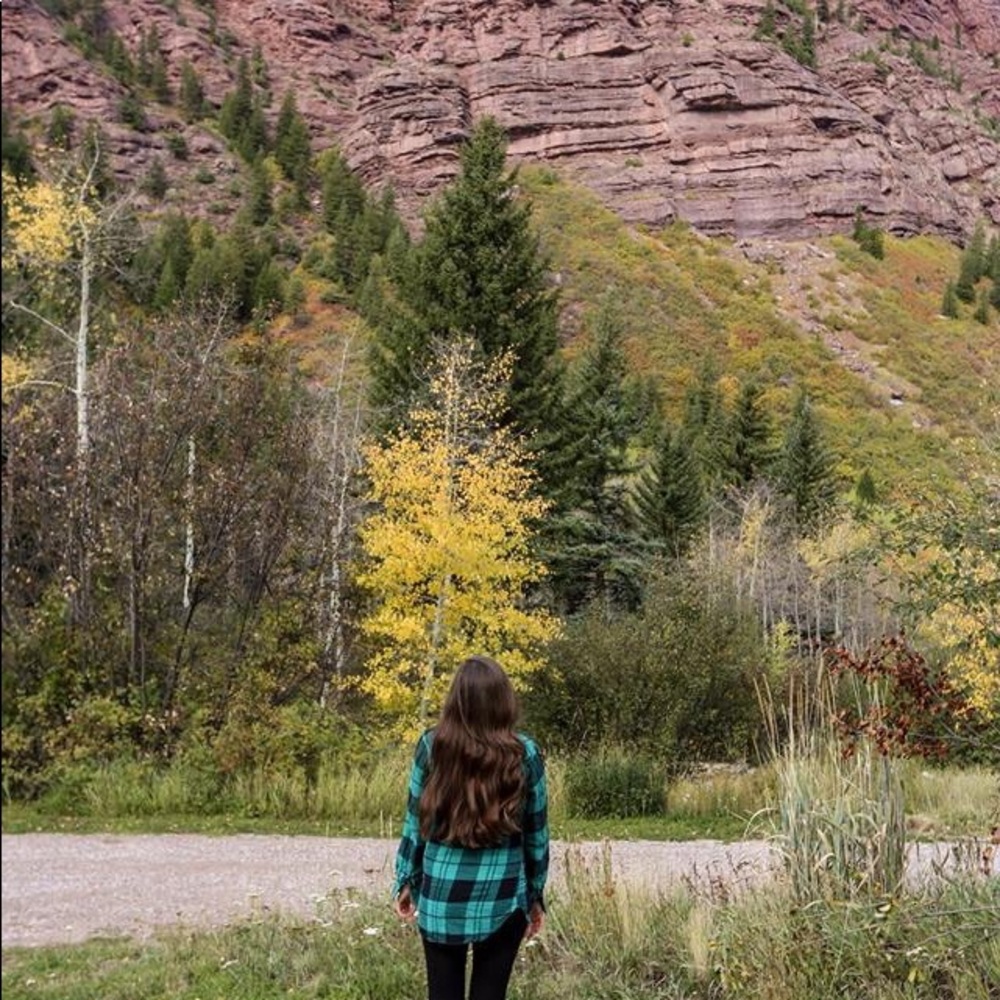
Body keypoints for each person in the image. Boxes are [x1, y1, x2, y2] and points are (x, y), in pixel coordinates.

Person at [392, 654, 549, 1000]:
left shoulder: (432, 747)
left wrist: (407, 880)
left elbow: (415, 822)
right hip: (504, 898)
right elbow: (536, 836)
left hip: (441, 896)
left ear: (455, 701)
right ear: (504, 701)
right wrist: (535, 896)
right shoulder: (525, 754)